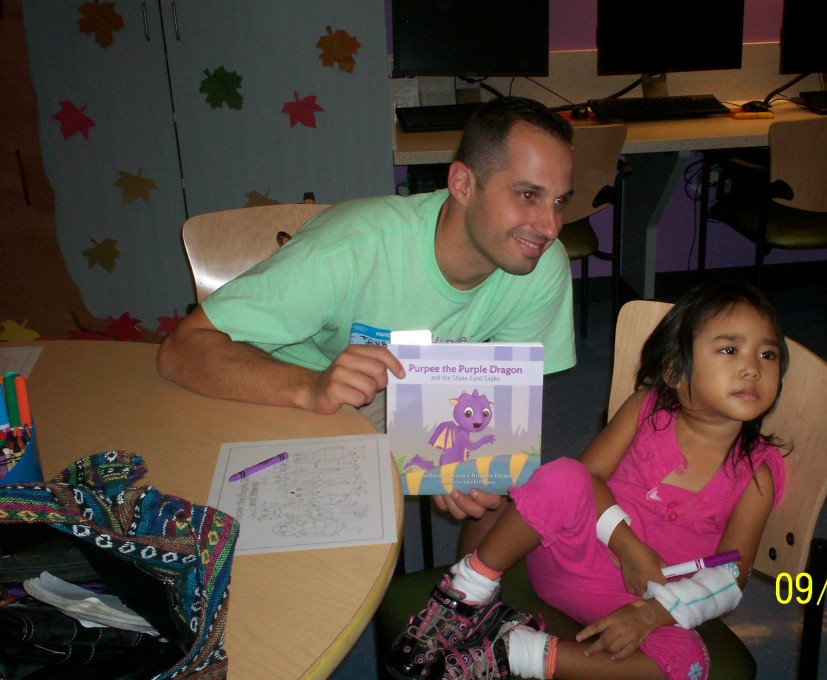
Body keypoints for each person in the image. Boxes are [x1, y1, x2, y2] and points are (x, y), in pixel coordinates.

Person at [157, 96, 577, 544]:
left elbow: (503, 415)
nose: (549, 227)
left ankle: (462, 605)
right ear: (463, 184)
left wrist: (465, 466)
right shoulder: (348, 249)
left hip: (409, 387)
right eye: (528, 195)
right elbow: (182, 349)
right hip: (290, 385)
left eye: (559, 201)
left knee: (506, 482)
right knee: (320, 531)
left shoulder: (540, 266)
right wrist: (309, 387)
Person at [387, 280, 790, 680]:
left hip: (640, 602)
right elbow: (585, 479)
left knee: (689, 659)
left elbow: (729, 577)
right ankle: (466, 595)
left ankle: (516, 651)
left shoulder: (756, 475)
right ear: (674, 371)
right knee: (563, 475)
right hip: (573, 557)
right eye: (729, 349)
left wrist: (649, 614)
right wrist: (629, 548)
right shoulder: (646, 409)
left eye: (768, 354)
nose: (752, 367)